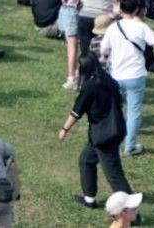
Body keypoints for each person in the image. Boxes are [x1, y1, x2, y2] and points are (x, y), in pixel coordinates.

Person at [60, 51, 133, 209]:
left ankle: (131, 211)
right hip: (114, 130)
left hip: (104, 136)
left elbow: (76, 111)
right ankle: (89, 199)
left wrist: (64, 129)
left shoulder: (90, 86)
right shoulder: (110, 80)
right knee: (86, 160)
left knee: (114, 175)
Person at [101, 0, 154, 157]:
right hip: (135, 75)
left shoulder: (113, 27)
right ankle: (129, 146)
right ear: (137, 9)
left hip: (116, 75)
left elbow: (104, 50)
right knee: (134, 111)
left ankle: (110, 138)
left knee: (115, 109)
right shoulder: (142, 27)